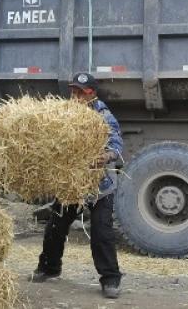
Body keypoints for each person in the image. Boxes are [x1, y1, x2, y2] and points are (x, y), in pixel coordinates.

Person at [30, 72, 124, 299]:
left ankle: (110, 279)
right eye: (73, 91)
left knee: (102, 232)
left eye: (80, 92)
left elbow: (116, 144)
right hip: (72, 184)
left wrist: (106, 156)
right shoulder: (66, 113)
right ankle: (49, 268)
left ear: (91, 93)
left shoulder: (103, 114)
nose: (76, 96)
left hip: (99, 185)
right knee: (56, 226)